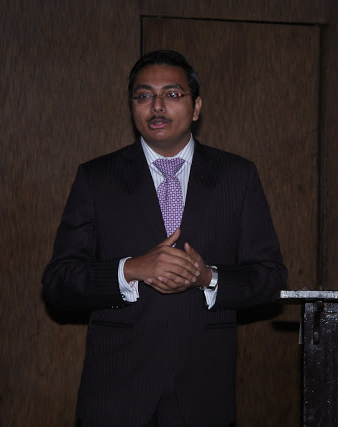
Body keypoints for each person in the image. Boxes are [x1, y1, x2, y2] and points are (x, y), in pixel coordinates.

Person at [42, 50, 287, 427]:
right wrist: (130, 270)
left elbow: (270, 279)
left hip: (202, 395)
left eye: (172, 94)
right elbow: (59, 284)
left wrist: (208, 278)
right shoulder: (97, 178)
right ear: (132, 107)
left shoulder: (237, 177)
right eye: (144, 96)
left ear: (196, 106)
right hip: (117, 395)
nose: (157, 106)